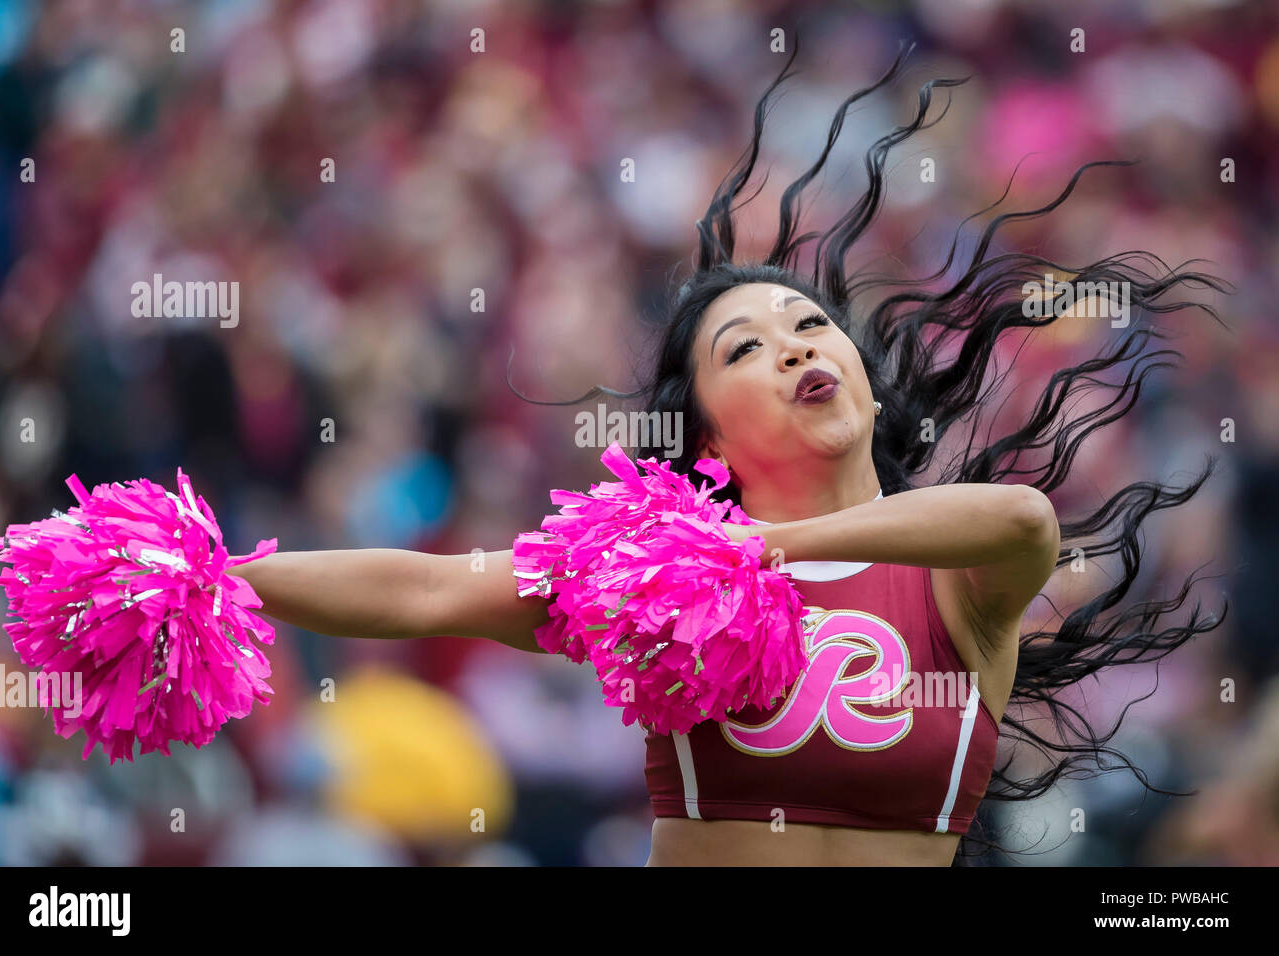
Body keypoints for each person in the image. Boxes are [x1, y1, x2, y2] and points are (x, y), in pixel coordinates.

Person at [229, 39, 1227, 866]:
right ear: (703, 430)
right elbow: (423, 591)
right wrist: (222, 578)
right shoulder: (656, 584)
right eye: (743, 347)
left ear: (862, 374)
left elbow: (1023, 520)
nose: (793, 343)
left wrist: (760, 555)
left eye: (809, 324)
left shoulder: (955, 578)